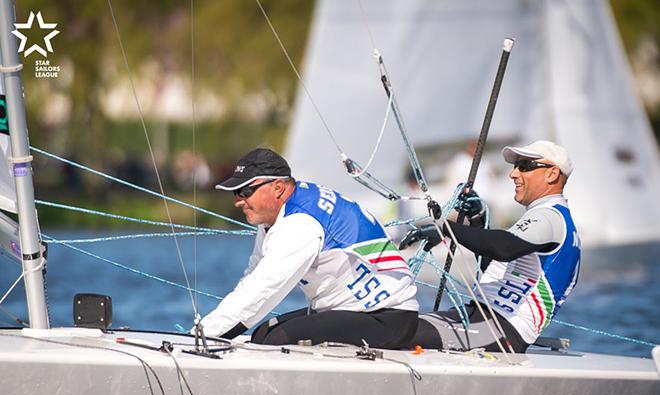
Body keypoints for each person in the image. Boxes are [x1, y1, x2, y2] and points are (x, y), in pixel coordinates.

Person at [197, 147, 419, 348]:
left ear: (277, 188)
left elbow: (263, 291)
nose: (238, 201)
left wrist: (202, 338)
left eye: (245, 192)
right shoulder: (278, 215)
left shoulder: (299, 223)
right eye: (236, 193)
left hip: (386, 317)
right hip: (350, 312)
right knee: (263, 333)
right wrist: (207, 332)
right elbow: (253, 279)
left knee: (275, 340)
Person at [400, 140, 581, 353]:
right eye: (515, 167)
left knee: (392, 330)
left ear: (552, 174)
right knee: (394, 323)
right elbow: (495, 268)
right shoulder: (546, 217)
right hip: (484, 321)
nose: (513, 174)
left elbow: (503, 248)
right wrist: (478, 220)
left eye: (525, 167)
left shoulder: (550, 216)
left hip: (500, 330)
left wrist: (447, 229)